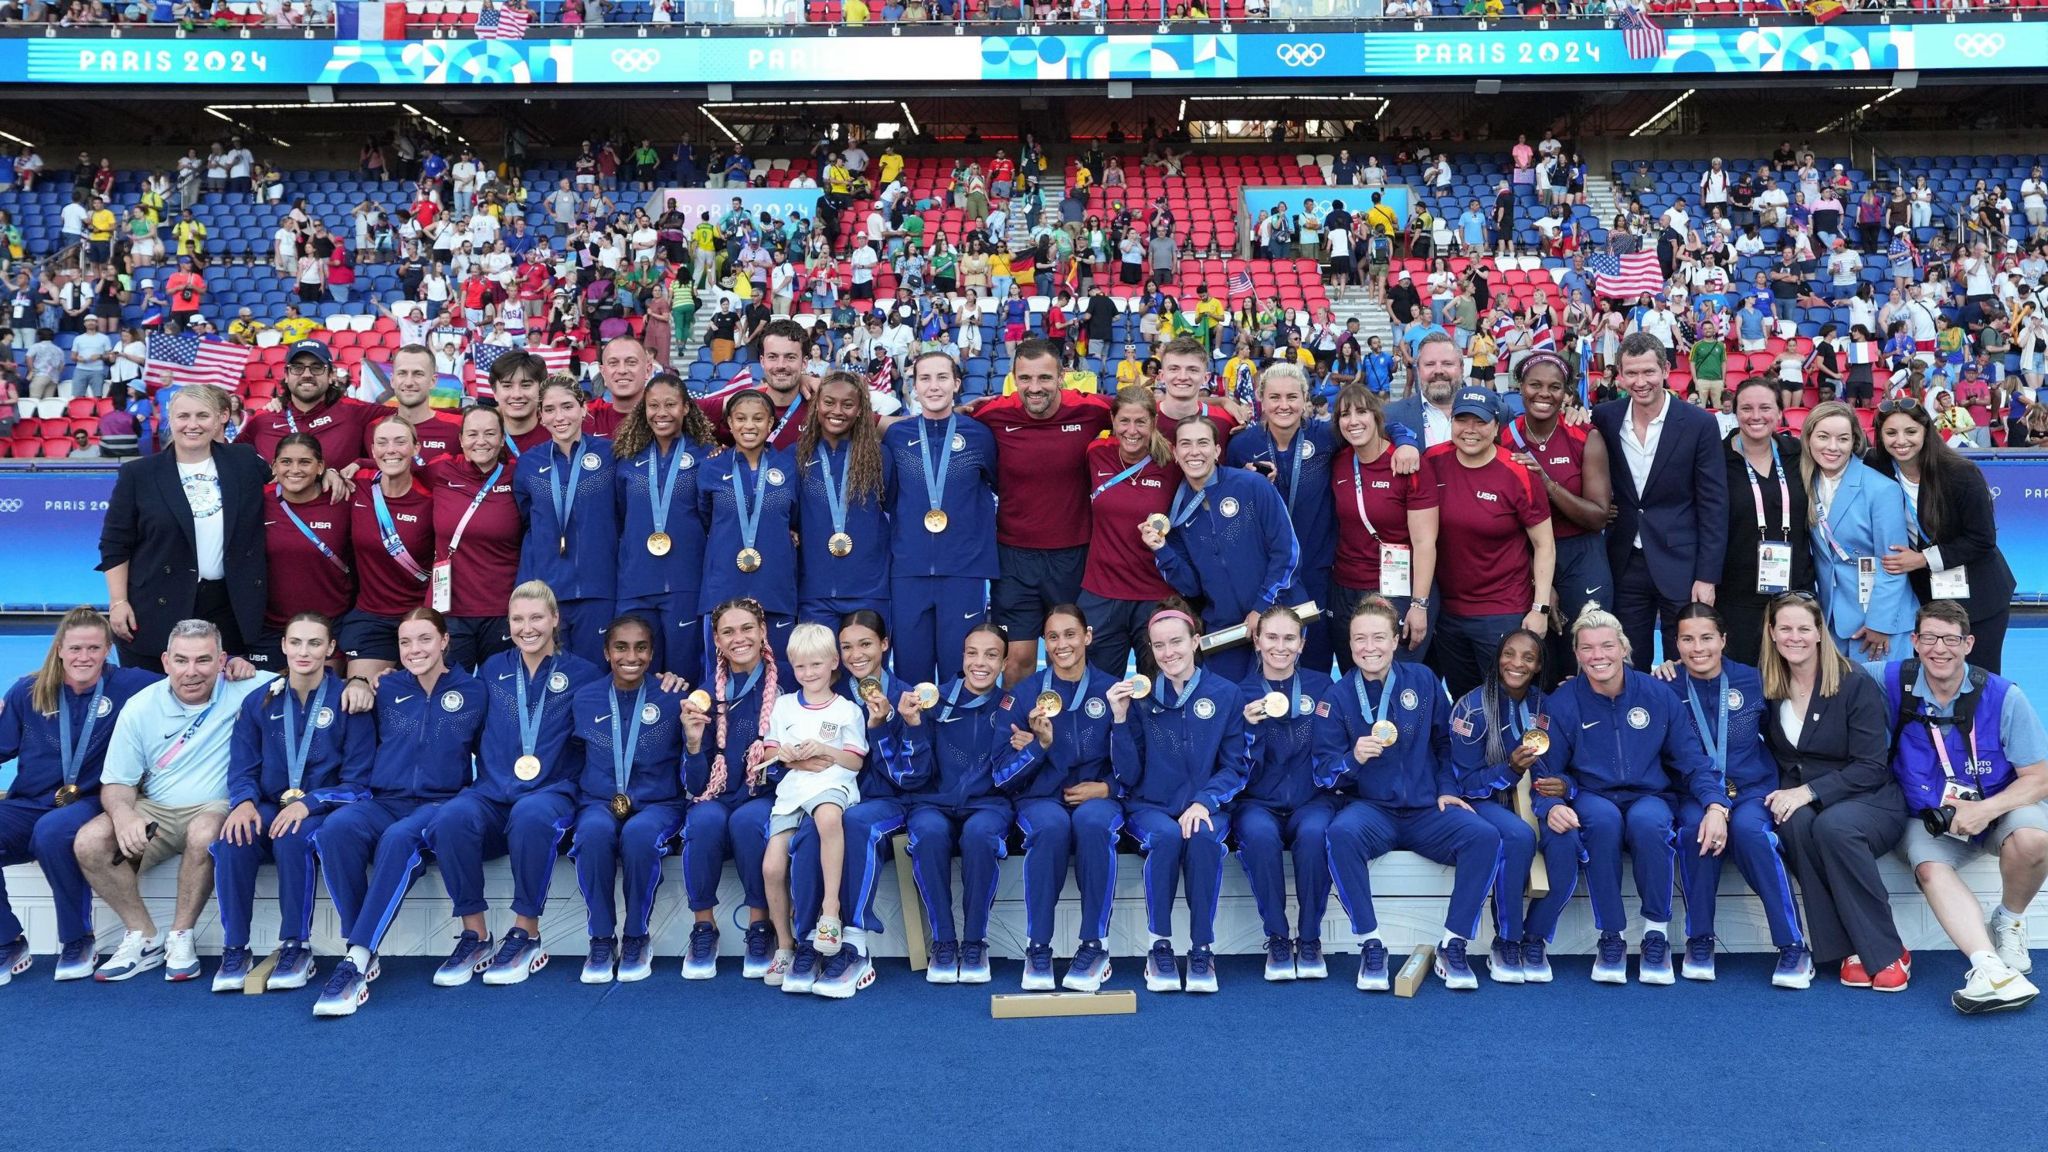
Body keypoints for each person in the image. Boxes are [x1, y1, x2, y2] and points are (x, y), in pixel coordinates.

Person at [74, 620, 275, 982]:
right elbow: (118, 782)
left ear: (221, 660)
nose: (192, 672)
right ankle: (143, 935)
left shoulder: (247, 686)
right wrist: (123, 817)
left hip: (217, 806)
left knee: (204, 831)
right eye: (181, 660)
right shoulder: (140, 707)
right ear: (166, 662)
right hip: (157, 809)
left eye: (203, 660)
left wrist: (358, 683)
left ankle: (180, 937)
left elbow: (306, 679)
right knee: (89, 842)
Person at [1318, 596, 1502, 992]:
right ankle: (1371, 942)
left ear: (1395, 639)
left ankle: (1453, 944)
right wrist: (1352, 759)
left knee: (1484, 836)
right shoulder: (1337, 696)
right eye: (1359, 639)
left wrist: (1447, 790)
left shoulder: (1423, 681)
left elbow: (1444, 743)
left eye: (1378, 637)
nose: (1369, 647)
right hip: (1372, 811)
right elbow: (1323, 770)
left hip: (1425, 810)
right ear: (1349, 645)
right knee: (1339, 834)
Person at [312, 608, 490, 1017]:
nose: (414, 650)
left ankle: (355, 959)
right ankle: (362, 946)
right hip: (384, 800)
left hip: (442, 802)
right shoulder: (387, 689)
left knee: (398, 840)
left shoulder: (476, 691)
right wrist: (358, 679)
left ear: (445, 641)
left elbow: (490, 752)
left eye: (425, 639)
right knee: (334, 830)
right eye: (405, 642)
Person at [425, 581, 602, 987]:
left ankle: (526, 933)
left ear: (555, 619)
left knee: (530, 815)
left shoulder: (584, 674)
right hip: (492, 791)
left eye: (537, 617)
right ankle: (475, 934)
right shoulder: (492, 669)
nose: (528, 627)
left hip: (551, 791)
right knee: (452, 817)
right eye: (518, 619)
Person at [1531, 603, 1719, 985]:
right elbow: (1545, 769)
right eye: (1587, 648)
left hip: (1649, 794)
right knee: (1600, 821)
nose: (1597, 656)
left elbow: (1691, 759)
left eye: (1606, 646)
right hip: (1592, 794)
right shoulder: (1562, 703)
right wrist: (1550, 804)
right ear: (1577, 654)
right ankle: (1611, 937)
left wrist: (1716, 803)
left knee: (1649, 822)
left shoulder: (1657, 695)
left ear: (1623, 647)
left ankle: (1656, 935)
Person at [1872, 600, 2045, 1012]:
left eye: (1951, 639)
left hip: (1995, 808)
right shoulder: (1892, 678)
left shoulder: (2005, 696)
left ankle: (2009, 919)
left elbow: (2039, 778)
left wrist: (1986, 810)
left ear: (1968, 643)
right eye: (1929, 638)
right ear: (1914, 642)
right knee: (1929, 868)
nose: (1939, 649)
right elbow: (1829, 670)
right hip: (1927, 819)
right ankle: (1988, 966)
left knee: (2034, 838)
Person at [209, 612, 373, 992]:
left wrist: (310, 802)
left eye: (315, 643)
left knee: (292, 836)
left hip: (323, 807)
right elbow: (243, 767)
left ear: (331, 648)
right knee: (232, 837)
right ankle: (236, 947)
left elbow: (359, 782)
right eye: (295, 642)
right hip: (267, 803)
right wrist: (243, 802)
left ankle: (295, 945)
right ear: (283, 646)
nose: (304, 651)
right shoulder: (259, 701)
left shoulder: (347, 699)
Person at [1759, 591, 1911, 992]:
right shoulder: (1769, 684)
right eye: (1785, 628)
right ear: (1772, 634)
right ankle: (1847, 948)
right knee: (1793, 824)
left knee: (1834, 827)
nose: (1795, 637)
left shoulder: (1853, 682)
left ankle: (1887, 950)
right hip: (1808, 797)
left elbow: (1870, 766)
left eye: (1804, 629)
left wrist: (1807, 791)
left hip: (1870, 797)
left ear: (1820, 633)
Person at [1655, 604, 1814, 987]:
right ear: (1674, 643)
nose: (1698, 648)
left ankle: (1793, 944)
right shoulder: (1664, 687)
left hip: (1751, 791)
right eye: (1687, 639)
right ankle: (1700, 940)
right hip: (1694, 794)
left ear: (1723, 640)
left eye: (1707, 637)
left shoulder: (1754, 680)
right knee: (1695, 830)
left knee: (1750, 832)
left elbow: (1784, 734)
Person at [0, 610, 160, 986]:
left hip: (90, 800)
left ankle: (77, 940)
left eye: (93, 648)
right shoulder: (27, 691)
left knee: (53, 831)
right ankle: (8, 941)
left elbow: (190, 677)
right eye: (75, 648)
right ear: (59, 649)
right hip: (28, 803)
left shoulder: (129, 684)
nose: (83, 657)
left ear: (108, 650)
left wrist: (232, 664)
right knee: (43, 825)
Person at [1107, 603, 1249, 994]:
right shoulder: (1140, 698)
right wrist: (1119, 719)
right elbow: (1128, 775)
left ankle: (1202, 948)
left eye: (1176, 642)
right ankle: (1161, 946)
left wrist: (1204, 801)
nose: (1168, 653)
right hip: (1150, 807)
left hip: (1207, 804)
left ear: (1195, 642)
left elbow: (1236, 766)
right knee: (1167, 838)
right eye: (1159, 646)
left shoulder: (1226, 694)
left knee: (1202, 836)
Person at [968, 339, 1114, 684]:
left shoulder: (1091, 409)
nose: (1035, 388)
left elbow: (1151, 410)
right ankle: (1017, 733)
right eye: (1025, 379)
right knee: (1017, 659)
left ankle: (1070, 732)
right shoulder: (992, 414)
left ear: (1062, 376)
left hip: (1073, 556)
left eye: (1045, 378)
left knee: (1068, 655)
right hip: (1013, 558)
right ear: (1013, 378)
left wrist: (1220, 401)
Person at [991, 604, 1119, 991]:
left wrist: (1110, 787)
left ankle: (1094, 945)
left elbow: (1139, 759)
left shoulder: (1112, 690)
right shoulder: (1024, 694)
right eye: (1052, 637)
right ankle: (1038, 946)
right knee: (1049, 827)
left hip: (1098, 797)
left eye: (1069, 634)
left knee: (1094, 823)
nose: (1061, 644)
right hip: (1040, 798)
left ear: (1088, 636)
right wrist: (1039, 747)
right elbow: (1001, 775)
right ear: (1044, 643)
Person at [99, 385, 270, 671]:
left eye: (203, 415)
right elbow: (115, 543)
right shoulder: (138, 474)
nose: (193, 424)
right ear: (169, 419)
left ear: (219, 419)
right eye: (183, 416)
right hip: (155, 606)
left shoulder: (244, 461)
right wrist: (118, 602)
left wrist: (327, 475)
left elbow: (293, 482)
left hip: (229, 606)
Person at [569, 614, 693, 985]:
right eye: (621, 647)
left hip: (658, 804)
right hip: (598, 801)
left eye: (641, 647)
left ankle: (637, 936)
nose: (631, 656)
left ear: (652, 652)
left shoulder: (673, 697)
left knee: (639, 836)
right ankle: (602, 939)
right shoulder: (585, 698)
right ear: (607, 652)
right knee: (591, 833)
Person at [1592, 333, 1729, 668]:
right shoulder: (1604, 418)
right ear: (1620, 375)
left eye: (1648, 372)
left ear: (1666, 369)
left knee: (1684, 663)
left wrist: (1707, 576)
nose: (1641, 382)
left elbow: (1714, 503)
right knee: (1627, 661)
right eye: (1632, 373)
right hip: (1624, 561)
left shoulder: (1699, 423)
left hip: (1681, 563)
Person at [794, 612, 911, 998]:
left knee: (857, 823)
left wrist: (882, 727)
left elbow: (911, 775)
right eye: (846, 646)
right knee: (814, 825)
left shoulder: (905, 696)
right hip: (836, 794)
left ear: (884, 644)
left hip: (890, 800)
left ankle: (855, 944)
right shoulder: (831, 695)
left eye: (865, 644)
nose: (856, 654)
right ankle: (812, 937)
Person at [1446, 629, 1573, 983]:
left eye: (1528, 658)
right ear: (1498, 657)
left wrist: (1565, 787)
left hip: (1538, 801)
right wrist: (1511, 770)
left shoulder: (1545, 706)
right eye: (1509, 654)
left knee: (1567, 838)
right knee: (1518, 836)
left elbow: (1565, 767)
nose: (1516, 663)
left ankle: (1535, 938)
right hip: (1484, 802)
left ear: (1539, 666)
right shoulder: (1470, 708)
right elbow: (1466, 784)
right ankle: (1506, 939)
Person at [1417, 388, 1554, 700]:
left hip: (1503, 611)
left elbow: (1544, 543)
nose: (1469, 430)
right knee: (1466, 703)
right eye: (1461, 420)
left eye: (1479, 422)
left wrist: (1540, 608)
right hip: (1449, 613)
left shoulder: (1518, 472)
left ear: (1496, 426)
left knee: (1508, 700)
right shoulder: (1433, 460)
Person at [1144, 415, 1298, 684]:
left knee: (1281, 706)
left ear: (1217, 451)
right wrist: (1163, 550)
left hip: (1277, 618)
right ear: (1175, 452)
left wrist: (1262, 606)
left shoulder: (1252, 485)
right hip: (1226, 631)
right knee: (1231, 710)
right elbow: (1191, 587)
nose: (1195, 452)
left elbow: (1287, 551)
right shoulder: (1177, 513)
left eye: (1203, 443)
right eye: (1186, 444)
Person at [755, 622, 870, 985]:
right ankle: (785, 946)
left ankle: (830, 911)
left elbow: (854, 761)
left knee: (828, 818)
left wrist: (825, 750)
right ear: (791, 665)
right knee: (772, 867)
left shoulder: (847, 710)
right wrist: (787, 756)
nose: (809, 674)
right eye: (801, 667)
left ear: (834, 662)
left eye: (816, 665)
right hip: (793, 790)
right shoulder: (784, 706)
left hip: (832, 784)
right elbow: (771, 751)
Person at [1865, 398, 2015, 674]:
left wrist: (1923, 559)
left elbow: (1982, 539)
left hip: (1979, 595)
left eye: (1910, 432)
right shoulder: (1875, 465)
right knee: (1931, 680)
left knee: (1978, 680)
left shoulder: (1960, 473)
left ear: (1926, 431)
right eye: (1891, 433)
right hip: (1925, 598)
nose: (1901, 441)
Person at [1231, 605, 1338, 981]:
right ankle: (1277, 937)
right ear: (1257, 642)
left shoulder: (1323, 686)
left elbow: (1333, 746)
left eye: (1289, 638)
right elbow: (1234, 767)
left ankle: (1309, 938)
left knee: (1314, 834)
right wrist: (1248, 730)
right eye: (1271, 637)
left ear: (1303, 644)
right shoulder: (1239, 695)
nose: (1280, 646)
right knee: (1259, 836)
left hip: (1312, 799)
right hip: (1257, 801)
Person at [679, 598, 781, 981]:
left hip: (768, 795)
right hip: (718, 797)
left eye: (746, 628)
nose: (739, 638)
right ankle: (703, 927)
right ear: (716, 642)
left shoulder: (787, 682)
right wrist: (692, 744)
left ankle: (760, 925)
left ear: (762, 632)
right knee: (702, 820)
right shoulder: (705, 695)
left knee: (748, 822)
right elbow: (693, 785)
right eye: (728, 632)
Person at [884, 353, 999, 686]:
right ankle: (913, 738)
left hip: (964, 572)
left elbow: (996, 485)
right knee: (910, 672)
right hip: (909, 571)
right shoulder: (896, 436)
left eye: (942, 378)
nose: (934, 386)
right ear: (913, 387)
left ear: (957, 384)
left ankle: (957, 738)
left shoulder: (979, 436)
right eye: (925, 379)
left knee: (960, 671)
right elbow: (891, 497)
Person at [1505, 351, 1613, 679]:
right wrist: (1540, 580)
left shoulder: (1585, 436)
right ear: (1520, 387)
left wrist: (1546, 483)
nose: (1544, 393)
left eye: (1554, 387)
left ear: (1566, 393)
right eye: (1534, 384)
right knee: (1532, 654)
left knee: (1587, 650)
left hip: (1581, 554)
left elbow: (1597, 516)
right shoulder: (1502, 436)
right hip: (1523, 555)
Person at [613, 372, 721, 680]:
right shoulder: (628, 458)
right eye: (653, 405)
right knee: (637, 672)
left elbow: (711, 515)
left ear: (686, 407)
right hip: (636, 582)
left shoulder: (707, 456)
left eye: (670, 404)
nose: (661, 413)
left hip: (686, 580)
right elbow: (623, 515)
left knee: (683, 673)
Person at [1329, 385, 1438, 667]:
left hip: (1397, 590)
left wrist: (1420, 604)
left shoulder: (1408, 464)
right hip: (1346, 587)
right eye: (1344, 414)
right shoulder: (1340, 461)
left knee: (1395, 675)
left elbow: (1425, 542)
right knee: (1354, 677)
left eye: (1362, 411)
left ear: (1377, 416)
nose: (1353, 421)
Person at [1799, 401, 1915, 660]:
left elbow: (1893, 562)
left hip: (1879, 624)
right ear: (1808, 439)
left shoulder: (1881, 489)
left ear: (1854, 442)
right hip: (1831, 621)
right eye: (1823, 437)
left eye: (1843, 438)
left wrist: (1880, 623)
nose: (1832, 447)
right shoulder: (1804, 483)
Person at [698, 389, 800, 683]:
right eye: (740, 418)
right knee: (720, 677)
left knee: (778, 675)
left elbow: (793, 518)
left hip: (775, 588)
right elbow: (706, 518)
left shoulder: (788, 467)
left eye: (758, 418)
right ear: (729, 423)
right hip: (723, 586)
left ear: (771, 424)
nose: (749, 426)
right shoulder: (711, 467)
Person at [512, 380, 617, 664]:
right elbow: (527, 519)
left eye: (568, 406)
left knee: (593, 675)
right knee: (552, 677)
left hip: (599, 588)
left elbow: (621, 513)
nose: (559, 417)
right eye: (550, 409)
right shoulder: (529, 463)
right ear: (540, 416)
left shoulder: (610, 455)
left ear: (583, 409)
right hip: (548, 592)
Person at [1079, 385, 1179, 677]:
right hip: (1101, 592)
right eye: (1124, 421)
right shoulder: (1096, 453)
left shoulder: (1173, 463)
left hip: (1155, 593)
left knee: (1159, 690)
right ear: (1112, 420)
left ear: (1153, 422)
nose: (1131, 430)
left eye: (1140, 422)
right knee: (1099, 690)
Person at [337, 416, 434, 704]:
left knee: (416, 704)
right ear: (372, 449)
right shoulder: (357, 486)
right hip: (371, 616)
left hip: (419, 614)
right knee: (359, 699)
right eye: (382, 442)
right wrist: (337, 470)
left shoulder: (431, 496)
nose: (391, 449)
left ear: (416, 448)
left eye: (400, 441)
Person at [1720, 380, 1812, 667]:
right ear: (1735, 413)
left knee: (1792, 675)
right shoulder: (1715, 458)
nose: (1756, 416)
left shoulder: (1798, 454)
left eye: (1765, 408)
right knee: (1745, 679)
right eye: (1746, 408)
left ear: (1780, 412)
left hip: (1795, 587)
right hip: (1736, 591)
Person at [426, 406, 523, 671]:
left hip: (502, 608)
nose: (481, 441)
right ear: (460, 440)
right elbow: (397, 467)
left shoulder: (517, 474)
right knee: (451, 693)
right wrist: (352, 467)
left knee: (499, 692)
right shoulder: (442, 469)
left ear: (503, 438)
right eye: (472, 434)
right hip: (450, 608)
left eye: (490, 433)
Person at [794, 372, 893, 631]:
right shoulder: (794, 457)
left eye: (847, 404)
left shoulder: (880, 458)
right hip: (814, 592)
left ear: (860, 410)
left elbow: (895, 512)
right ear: (816, 405)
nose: (837, 411)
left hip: (869, 590)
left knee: (867, 670)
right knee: (817, 670)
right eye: (828, 402)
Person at [251, 434, 355, 675]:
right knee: (271, 704)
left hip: (330, 625)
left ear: (320, 467)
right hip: (271, 628)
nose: (294, 470)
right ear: (274, 466)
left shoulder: (342, 499)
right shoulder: (258, 499)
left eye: (305, 462)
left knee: (319, 703)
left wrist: (356, 465)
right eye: (286, 462)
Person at [233, 340, 380, 464]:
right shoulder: (262, 419)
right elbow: (229, 460)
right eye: (297, 367)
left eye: (317, 368)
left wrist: (361, 465)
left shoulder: (354, 411)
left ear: (331, 376)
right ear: (286, 375)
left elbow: (400, 416)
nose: (307, 374)